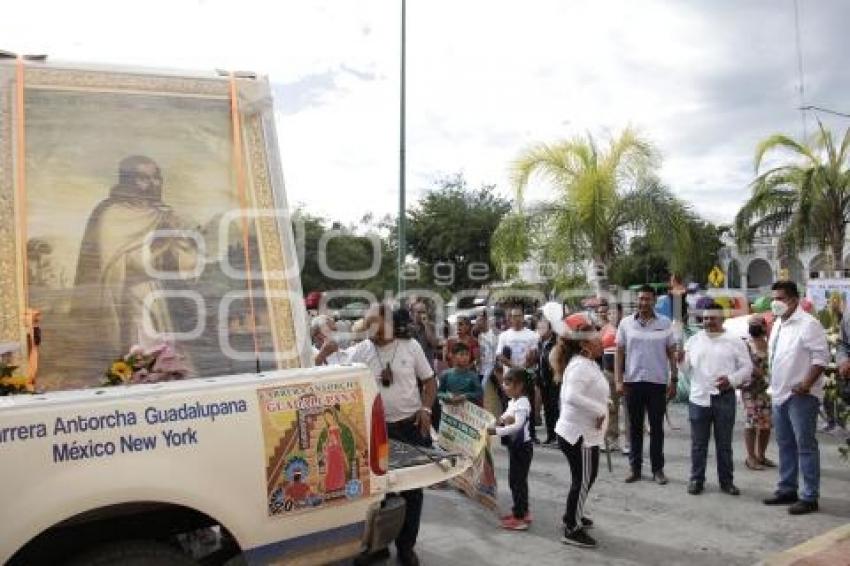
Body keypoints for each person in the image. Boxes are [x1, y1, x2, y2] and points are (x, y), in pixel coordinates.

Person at [321, 304, 435, 565]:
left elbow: (429, 380)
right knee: (380, 492)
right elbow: (338, 377)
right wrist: (323, 355)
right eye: (367, 324)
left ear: (390, 323)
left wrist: (426, 409)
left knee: (412, 491)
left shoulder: (411, 347)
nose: (370, 329)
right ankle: (379, 546)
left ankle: (406, 547)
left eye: (375, 324)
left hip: (410, 428)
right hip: (377, 432)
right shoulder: (362, 350)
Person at [72, 155, 199, 371]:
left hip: (162, 297)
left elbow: (188, 265)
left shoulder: (163, 214)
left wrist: (177, 236)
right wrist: (164, 247)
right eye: (143, 178)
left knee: (170, 358)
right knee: (142, 354)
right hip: (130, 297)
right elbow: (123, 263)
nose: (152, 184)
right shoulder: (112, 215)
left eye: (156, 177)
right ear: (127, 181)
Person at [764, 281, 829, 515]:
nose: (775, 302)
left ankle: (810, 496)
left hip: (801, 396)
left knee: (805, 446)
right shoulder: (779, 324)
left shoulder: (808, 324)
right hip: (779, 393)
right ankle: (787, 489)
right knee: (785, 444)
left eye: (779, 298)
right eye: (774, 298)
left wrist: (806, 384)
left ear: (793, 299)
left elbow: (821, 358)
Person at [679, 301, 752, 496]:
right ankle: (696, 479)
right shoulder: (693, 341)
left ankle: (726, 481)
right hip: (699, 398)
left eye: (712, 318)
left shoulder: (735, 340)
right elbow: (687, 369)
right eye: (705, 318)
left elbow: (747, 368)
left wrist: (731, 380)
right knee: (698, 443)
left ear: (722, 318)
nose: (708, 322)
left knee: (724, 444)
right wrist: (680, 361)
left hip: (724, 398)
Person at [552, 313, 609, 549]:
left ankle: (572, 515)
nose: (602, 342)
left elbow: (592, 393)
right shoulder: (579, 366)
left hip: (583, 433)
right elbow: (570, 397)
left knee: (585, 478)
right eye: (597, 339)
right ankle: (571, 529)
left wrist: (606, 404)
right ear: (585, 344)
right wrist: (599, 410)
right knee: (583, 479)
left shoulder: (588, 363)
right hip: (580, 435)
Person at [615, 285, 678, 485]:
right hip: (633, 383)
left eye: (648, 299)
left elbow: (671, 352)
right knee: (634, 428)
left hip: (657, 383)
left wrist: (674, 378)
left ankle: (658, 470)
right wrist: (618, 380)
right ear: (637, 300)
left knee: (657, 429)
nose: (644, 302)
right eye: (641, 298)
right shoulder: (625, 324)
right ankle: (635, 469)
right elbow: (619, 353)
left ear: (654, 301)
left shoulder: (665, 323)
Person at [488, 368, 534, 531]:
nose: (504, 386)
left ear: (520, 386)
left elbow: (517, 426)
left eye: (508, 383)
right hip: (515, 447)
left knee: (517, 481)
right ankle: (522, 511)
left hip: (522, 448)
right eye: (504, 383)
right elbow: (506, 415)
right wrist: (497, 421)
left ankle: (519, 518)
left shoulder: (522, 402)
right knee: (517, 481)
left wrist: (496, 431)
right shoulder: (513, 401)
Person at [497, 307, 540, 442]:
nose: (516, 319)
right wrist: (515, 366)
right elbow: (500, 355)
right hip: (509, 376)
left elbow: (534, 354)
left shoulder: (532, 335)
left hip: (526, 375)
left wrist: (526, 365)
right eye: (514, 316)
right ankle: (506, 435)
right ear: (509, 318)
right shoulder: (504, 335)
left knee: (528, 405)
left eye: (519, 316)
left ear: (523, 317)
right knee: (509, 405)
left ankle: (530, 434)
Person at [742, 314, 775, 470]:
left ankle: (761, 455)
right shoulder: (746, 345)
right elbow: (744, 363)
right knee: (752, 422)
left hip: (768, 389)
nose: (755, 328)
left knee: (766, 423)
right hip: (750, 389)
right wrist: (759, 372)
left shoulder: (770, 344)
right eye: (752, 325)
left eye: (758, 324)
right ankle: (750, 457)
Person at [598, 300, 627, 453]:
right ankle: (612, 439)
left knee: (629, 409)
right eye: (610, 313)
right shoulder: (604, 330)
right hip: (608, 373)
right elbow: (599, 351)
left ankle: (629, 442)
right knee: (611, 408)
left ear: (621, 313)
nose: (612, 316)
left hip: (626, 374)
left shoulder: (628, 327)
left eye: (615, 312)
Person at [437, 342, 484, 406]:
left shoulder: (473, 376)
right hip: (449, 408)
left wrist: (465, 396)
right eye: (461, 355)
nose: (465, 357)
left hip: (467, 410)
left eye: (467, 354)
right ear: (453, 357)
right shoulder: (446, 374)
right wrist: (447, 397)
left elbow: (479, 393)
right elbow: (439, 392)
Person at [536, 318, 559, 444]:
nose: (540, 331)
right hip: (543, 380)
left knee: (555, 408)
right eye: (538, 328)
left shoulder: (556, 343)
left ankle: (557, 437)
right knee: (547, 409)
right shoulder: (540, 342)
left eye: (543, 328)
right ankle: (550, 435)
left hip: (554, 380)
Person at [410, 301, 440, 370]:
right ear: (412, 314)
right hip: (413, 367)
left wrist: (426, 325)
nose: (422, 315)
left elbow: (434, 344)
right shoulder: (408, 328)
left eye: (423, 312)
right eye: (419, 312)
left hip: (427, 367)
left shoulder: (431, 326)